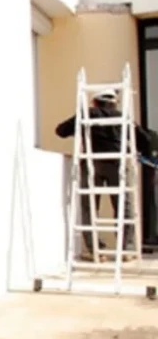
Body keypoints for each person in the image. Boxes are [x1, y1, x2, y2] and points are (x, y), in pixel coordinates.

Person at [55, 88, 151, 259]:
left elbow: (61, 131)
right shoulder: (123, 117)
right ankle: (126, 250)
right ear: (114, 102)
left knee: (89, 206)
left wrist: (82, 126)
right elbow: (146, 140)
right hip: (118, 164)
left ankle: (95, 251)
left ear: (94, 102)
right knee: (124, 206)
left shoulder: (88, 113)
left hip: (93, 164)